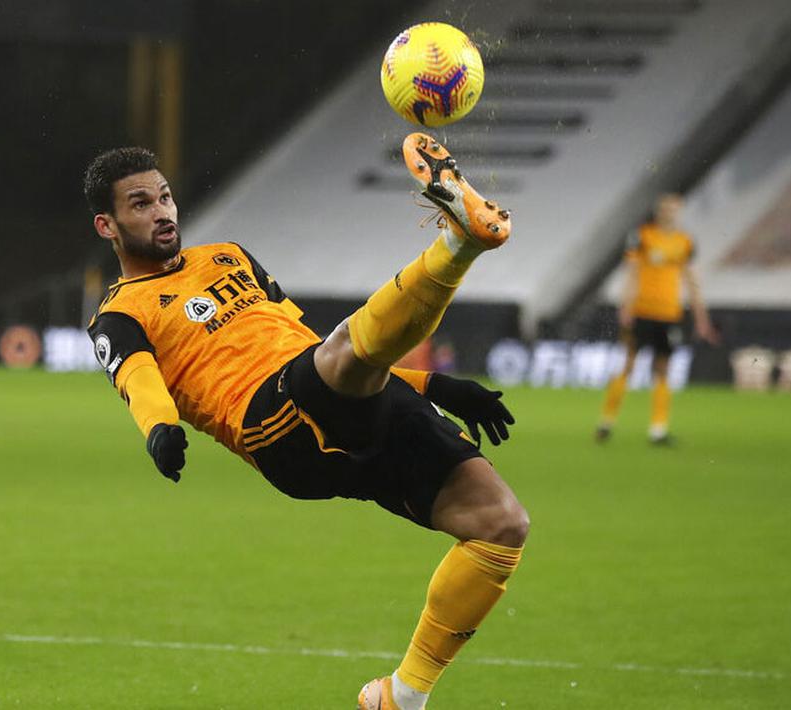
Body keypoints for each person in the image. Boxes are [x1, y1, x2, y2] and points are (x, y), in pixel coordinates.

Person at [83, 135, 527, 710]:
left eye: (165, 197)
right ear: (107, 226)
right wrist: (158, 429)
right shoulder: (118, 314)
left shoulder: (230, 256)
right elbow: (139, 380)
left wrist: (433, 386)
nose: (162, 212)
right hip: (273, 426)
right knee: (346, 348)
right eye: (140, 204)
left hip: (328, 384)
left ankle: (401, 696)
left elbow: (320, 353)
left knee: (500, 525)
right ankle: (458, 246)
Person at [596, 193, 719, 445]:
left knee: (663, 369)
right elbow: (632, 274)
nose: (669, 213)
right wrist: (626, 308)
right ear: (658, 211)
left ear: (679, 212)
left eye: (673, 209)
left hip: (669, 313)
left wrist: (701, 317)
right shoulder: (643, 236)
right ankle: (606, 422)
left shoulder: (685, 242)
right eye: (665, 209)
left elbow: (691, 281)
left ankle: (658, 430)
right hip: (642, 311)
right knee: (629, 365)